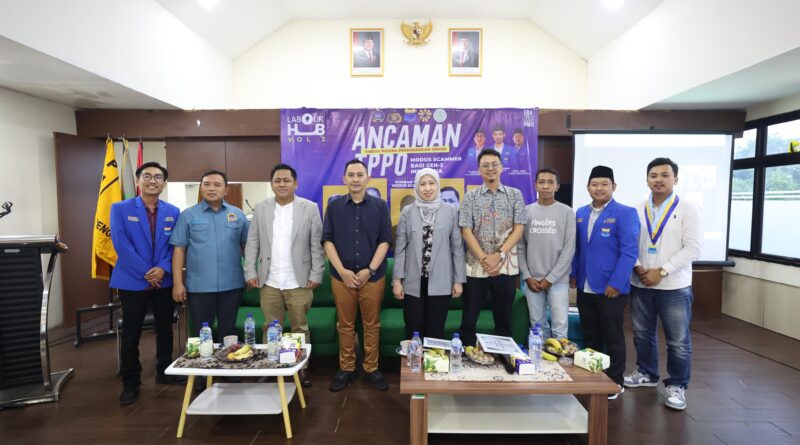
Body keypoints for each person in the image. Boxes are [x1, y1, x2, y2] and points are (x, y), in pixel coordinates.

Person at [624, 158, 702, 411]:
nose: (658, 180)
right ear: (647, 180)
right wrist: (639, 268)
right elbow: (627, 244)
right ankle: (646, 373)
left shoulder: (688, 209)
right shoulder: (636, 210)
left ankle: (677, 385)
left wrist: (662, 271)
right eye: (653, 175)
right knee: (642, 334)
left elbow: (693, 248)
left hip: (674, 286)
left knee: (677, 340)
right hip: (640, 283)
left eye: (665, 175)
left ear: (675, 179)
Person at [244, 163, 324, 388]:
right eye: (277, 180)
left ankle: (301, 368)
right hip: (269, 280)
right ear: (271, 184)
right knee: (270, 328)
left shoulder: (310, 208)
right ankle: (270, 365)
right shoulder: (261, 208)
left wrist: (316, 273)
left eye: (286, 180)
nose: (282, 184)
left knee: (300, 329)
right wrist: (250, 271)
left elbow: (317, 245)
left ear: (295, 184)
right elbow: (252, 243)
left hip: (299, 280)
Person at [110, 162, 184, 406]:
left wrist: (162, 268)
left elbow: (176, 245)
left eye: (158, 177)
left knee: (165, 329)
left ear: (165, 183)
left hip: (164, 280)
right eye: (147, 176)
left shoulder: (173, 211)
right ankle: (131, 381)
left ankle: (164, 370)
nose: (153, 180)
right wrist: (146, 272)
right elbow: (121, 244)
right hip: (132, 280)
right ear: (138, 180)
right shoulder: (120, 208)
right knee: (131, 333)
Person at [570, 165, 640, 400]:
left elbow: (629, 252)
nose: (599, 188)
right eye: (594, 184)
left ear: (614, 186)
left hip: (611, 287)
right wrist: (574, 273)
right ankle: (594, 377)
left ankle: (616, 381)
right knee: (590, 334)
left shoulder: (626, 213)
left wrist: (617, 283)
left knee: (613, 335)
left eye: (604, 184)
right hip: (585, 284)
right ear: (588, 187)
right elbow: (578, 248)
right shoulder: (581, 212)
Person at [323, 159, 392, 392]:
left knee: (371, 325)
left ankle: (371, 368)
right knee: (345, 325)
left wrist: (369, 270)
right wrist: (342, 271)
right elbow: (327, 241)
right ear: (344, 179)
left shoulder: (380, 206)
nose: (355, 179)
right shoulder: (334, 206)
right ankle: (346, 368)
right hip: (341, 276)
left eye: (359, 175)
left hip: (372, 276)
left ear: (367, 178)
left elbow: (385, 241)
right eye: (351, 175)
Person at [170, 170, 249, 342]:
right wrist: (177, 283)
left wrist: (250, 274)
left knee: (229, 332)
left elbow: (247, 247)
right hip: (199, 287)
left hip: (231, 285)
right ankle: (204, 361)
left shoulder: (238, 215)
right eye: (206, 184)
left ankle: (227, 360)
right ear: (201, 188)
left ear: (226, 190)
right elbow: (179, 249)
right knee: (201, 333)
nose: (211, 188)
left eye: (217, 185)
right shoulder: (188, 215)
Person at [458, 149, 526, 346]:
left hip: (505, 266)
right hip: (475, 266)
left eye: (494, 164)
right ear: (479, 170)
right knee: (469, 318)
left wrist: (499, 255)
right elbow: (466, 231)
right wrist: (485, 259)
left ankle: (502, 356)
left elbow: (519, 229)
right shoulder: (470, 197)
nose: (490, 169)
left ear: (501, 167)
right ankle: (467, 353)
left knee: (503, 319)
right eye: (485, 165)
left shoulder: (515, 195)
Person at [393, 168, 465, 340]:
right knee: (413, 328)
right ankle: (414, 358)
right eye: (422, 184)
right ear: (417, 187)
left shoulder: (450, 212)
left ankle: (433, 358)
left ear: (437, 185)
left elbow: (457, 249)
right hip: (412, 281)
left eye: (431, 183)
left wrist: (458, 281)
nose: (427, 188)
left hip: (441, 280)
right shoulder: (407, 212)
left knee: (436, 330)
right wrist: (397, 281)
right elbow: (400, 249)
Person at [518, 168, 575, 340]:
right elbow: (520, 247)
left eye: (550, 182)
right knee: (537, 324)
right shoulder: (526, 211)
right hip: (532, 281)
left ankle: (560, 357)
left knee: (560, 325)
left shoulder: (567, 212)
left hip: (558, 280)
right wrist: (527, 276)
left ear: (557, 186)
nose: (545, 186)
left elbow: (569, 249)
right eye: (541, 182)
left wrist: (551, 278)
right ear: (535, 185)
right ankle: (541, 355)